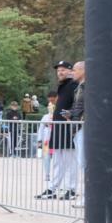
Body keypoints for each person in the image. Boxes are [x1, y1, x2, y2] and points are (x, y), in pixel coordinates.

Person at [36, 61, 78, 200]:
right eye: (59, 70)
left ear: (71, 71)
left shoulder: (74, 85)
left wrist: (71, 117)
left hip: (68, 127)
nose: (60, 72)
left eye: (63, 70)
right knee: (58, 161)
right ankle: (53, 188)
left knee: (70, 160)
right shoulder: (63, 86)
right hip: (59, 127)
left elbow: (78, 105)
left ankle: (71, 189)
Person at [69, 61, 86, 208]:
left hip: (84, 127)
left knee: (86, 164)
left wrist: (76, 117)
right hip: (78, 127)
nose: (71, 72)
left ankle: (88, 197)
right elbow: (78, 107)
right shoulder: (80, 87)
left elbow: (84, 107)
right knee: (83, 164)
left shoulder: (87, 87)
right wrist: (72, 115)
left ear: (83, 70)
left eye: (74, 70)